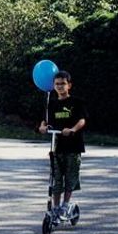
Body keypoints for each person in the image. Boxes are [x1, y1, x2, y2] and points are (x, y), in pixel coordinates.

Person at [38, 70, 87, 222]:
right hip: (56, 147)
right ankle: (56, 207)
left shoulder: (76, 102)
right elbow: (45, 120)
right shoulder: (51, 104)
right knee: (56, 178)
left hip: (73, 146)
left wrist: (72, 129)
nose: (60, 86)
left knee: (70, 177)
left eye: (63, 84)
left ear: (69, 85)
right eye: (57, 84)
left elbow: (82, 120)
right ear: (53, 85)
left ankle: (65, 205)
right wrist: (42, 127)